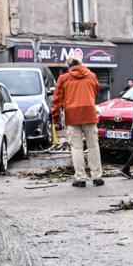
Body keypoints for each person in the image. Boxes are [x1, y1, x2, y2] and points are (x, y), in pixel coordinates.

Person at [52, 57, 103, 187]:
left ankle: (80, 178)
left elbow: (57, 99)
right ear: (81, 64)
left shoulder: (63, 78)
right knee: (93, 146)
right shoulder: (91, 76)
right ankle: (97, 177)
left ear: (69, 67)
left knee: (76, 148)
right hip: (89, 114)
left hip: (72, 116)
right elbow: (97, 91)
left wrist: (55, 118)